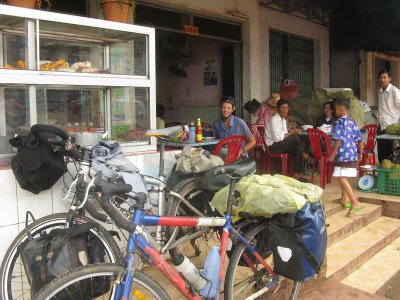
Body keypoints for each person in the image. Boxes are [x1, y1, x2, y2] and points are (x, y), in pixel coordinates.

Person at [328, 97, 364, 216]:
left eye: (336, 108)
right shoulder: (353, 122)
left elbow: (338, 139)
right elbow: (360, 138)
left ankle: (354, 202)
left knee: (340, 177)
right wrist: (360, 153)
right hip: (352, 154)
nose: (334, 111)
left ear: (342, 108)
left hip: (342, 155)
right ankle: (344, 198)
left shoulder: (339, 122)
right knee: (343, 175)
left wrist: (332, 154)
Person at [265, 99, 309, 182]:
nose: (285, 109)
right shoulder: (273, 120)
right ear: (278, 108)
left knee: (297, 149)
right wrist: (292, 132)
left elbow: (285, 136)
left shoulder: (283, 120)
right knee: (294, 137)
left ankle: (296, 174)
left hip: (281, 145)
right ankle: (304, 154)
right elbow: (277, 138)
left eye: (286, 107)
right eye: (282, 107)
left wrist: (292, 132)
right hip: (272, 147)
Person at [376, 69, 400, 163]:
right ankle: (382, 171)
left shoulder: (395, 91)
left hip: (391, 126)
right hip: (381, 125)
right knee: (381, 151)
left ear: (389, 78)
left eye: (385, 77)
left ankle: (388, 173)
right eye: (381, 78)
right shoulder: (380, 91)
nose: (382, 80)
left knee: (389, 152)